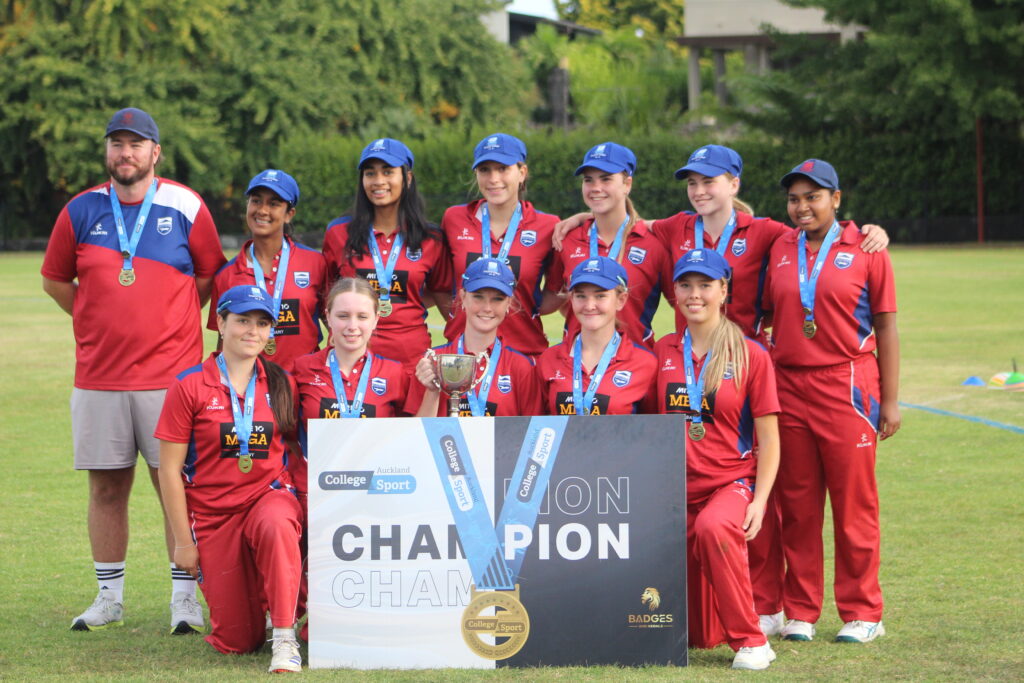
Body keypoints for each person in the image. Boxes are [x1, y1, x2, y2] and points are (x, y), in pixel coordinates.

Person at [553, 143, 890, 630]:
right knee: (759, 493)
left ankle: (819, 607)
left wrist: (868, 232)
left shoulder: (768, 232)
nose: (699, 190)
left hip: (748, 372)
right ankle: (767, 603)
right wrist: (583, 215)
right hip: (689, 369)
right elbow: (623, 217)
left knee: (762, 490)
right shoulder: (673, 228)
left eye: (709, 181)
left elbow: (815, 234)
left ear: (734, 183)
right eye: (692, 182)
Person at [41, 107, 226, 634]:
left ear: (155, 152)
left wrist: (167, 319)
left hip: (172, 380)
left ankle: (184, 599)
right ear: (107, 151)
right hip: (99, 377)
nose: (126, 153)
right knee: (105, 489)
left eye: (136, 144)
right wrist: (94, 318)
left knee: (176, 488)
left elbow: (209, 275)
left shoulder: (185, 204)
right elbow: (55, 281)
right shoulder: (80, 209)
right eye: (117, 144)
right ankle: (109, 597)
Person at [762, 159, 900, 644]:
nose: (802, 207)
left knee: (853, 504)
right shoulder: (780, 246)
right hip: (788, 385)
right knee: (797, 506)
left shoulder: (867, 248)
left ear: (835, 199)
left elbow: (886, 326)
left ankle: (864, 612)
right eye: (794, 199)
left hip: (847, 384)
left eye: (813, 197)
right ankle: (801, 611)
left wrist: (891, 401)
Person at [155, 286, 304, 673]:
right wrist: (183, 543)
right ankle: (263, 606)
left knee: (277, 523)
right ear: (220, 324)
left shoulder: (281, 383)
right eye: (242, 321)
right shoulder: (189, 385)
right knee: (237, 641)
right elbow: (169, 469)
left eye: (262, 323)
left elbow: (295, 446)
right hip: (213, 516)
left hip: (267, 497)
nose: (253, 331)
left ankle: (285, 637)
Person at [649, 249, 780, 670]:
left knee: (715, 526)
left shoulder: (750, 354)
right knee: (700, 637)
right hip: (675, 488)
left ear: (724, 291)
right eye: (686, 285)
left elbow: (769, 439)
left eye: (705, 285)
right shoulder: (662, 351)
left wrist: (760, 501)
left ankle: (753, 641)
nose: (695, 294)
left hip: (730, 484)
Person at [321, 138, 452, 372]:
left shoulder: (431, 238)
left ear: (407, 178)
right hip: (352, 363)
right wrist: (340, 333)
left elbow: (442, 294)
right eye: (370, 173)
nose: (378, 181)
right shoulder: (338, 233)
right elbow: (326, 294)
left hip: (412, 364)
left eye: (388, 171)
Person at [439, 133, 560, 359]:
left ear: (522, 173)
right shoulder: (454, 219)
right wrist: (463, 314)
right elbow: (441, 284)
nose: (493, 178)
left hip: (524, 354)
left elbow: (556, 292)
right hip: (463, 356)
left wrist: (524, 309)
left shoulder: (548, 225)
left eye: (503, 169)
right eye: (485, 170)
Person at [544, 142, 672, 348]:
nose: (596, 188)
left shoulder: (654, 243)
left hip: (637, 363)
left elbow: (683, 304)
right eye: (588, 180)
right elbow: (557, 297)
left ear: (627, 184)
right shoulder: (567, 239)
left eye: (606, 179)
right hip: (576, 362)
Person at [208, 169, 327, 373]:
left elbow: (335, 324)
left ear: (289, 214)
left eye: (273, 204)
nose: (262, 210)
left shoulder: (315, 263)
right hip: (249, 386)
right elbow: (223, 343)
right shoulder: (226, 275)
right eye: (256, 201)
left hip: (305, 383)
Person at [411, 257, 542, 416]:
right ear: (463, 297)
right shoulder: (432, 361)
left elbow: (531, 428)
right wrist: (432, 392)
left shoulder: (521, 367)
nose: (487, 308)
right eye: (478, 296)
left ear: (509, 303)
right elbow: (415, 430)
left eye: (498, 299)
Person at [537, 256, 657, 415]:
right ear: (571, 299)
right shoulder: (549, 359)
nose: (589, 306)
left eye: (600, 296)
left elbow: (654, 427)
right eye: (581, 296)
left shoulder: (645, 364)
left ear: (621, 300)